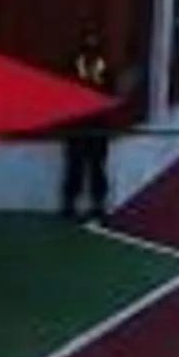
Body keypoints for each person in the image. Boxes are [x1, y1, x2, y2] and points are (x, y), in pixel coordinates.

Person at [59, 31, 114, 222]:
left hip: (98, 125)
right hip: (77, 125)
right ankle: (69, 204)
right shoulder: (74, 67)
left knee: (97, 167)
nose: (91, 53)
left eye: (94, 48)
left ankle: (98, 204)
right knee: (75, 167)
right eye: (88, 48)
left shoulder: (104, 67)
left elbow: (109, 93)